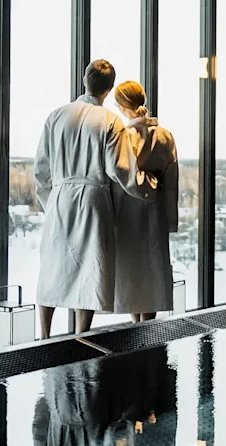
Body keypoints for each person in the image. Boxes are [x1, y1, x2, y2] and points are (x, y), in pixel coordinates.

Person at [34, 60, 155, 338]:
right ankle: (81, 337)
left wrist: (50, 202)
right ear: (110, 89)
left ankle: (43, 334)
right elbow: (120, 169)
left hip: (60, 196)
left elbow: (41, 170)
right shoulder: (110, 120)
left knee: (52, 266)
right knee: (89, 269)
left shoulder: (56, 116)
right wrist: (147, 190)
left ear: (84, 80)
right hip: (93, 199)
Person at [109, 81, 178, 323]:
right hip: (155, 211)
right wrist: (170, 220)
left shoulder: (122, 137)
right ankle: (147, 331)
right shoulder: (165, 136)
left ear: (119, 106)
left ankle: (135, 328)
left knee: (130, 270)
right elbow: (171, 184)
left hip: (126, 211)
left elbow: (116, 173)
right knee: (151, 267)